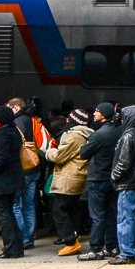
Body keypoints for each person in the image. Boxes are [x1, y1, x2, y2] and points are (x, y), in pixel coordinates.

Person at [44, 108, 91, 256]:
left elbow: (59, 156)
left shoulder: (74, 136)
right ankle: (74, 236)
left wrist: (48, 152)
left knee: (59, 210)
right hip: (77, 176)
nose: (66, 121)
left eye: (69, 119)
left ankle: (70, 241)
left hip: (69, 177)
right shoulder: (85, 134)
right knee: (72, 209)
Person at [77, 102, 120, 261]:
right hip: (112, 178)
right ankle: (112, 246)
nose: (94, 113)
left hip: (97, 178)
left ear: (104, 114)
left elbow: (83, 153)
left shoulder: (99, 134)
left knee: (97, 215)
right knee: (111, 213)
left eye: (97, 111)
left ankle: (96, 249)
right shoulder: (118, 132)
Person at [108, 105, 135, 265]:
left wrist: (114, 177)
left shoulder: (127, 136)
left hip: (127, 183)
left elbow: (123, 163)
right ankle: (134, 250)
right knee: (134, 217)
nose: (122, 120)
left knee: (125, 218)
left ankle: (126, 253)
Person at [0, 105, 25, 259]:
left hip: (2, 180)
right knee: (9, 213)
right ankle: (17, 247)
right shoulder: (13, 130)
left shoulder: (2, 133)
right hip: (13, 178)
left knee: (5, 215)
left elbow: (3, 157)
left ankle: (10, 248)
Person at [7, 97, 46, 249]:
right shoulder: (34, 120)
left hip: (22, 167)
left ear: (16, 108)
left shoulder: (17, 122)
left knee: (15, 203)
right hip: (34, 165)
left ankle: (23, 237)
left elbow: (15, 144)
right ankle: (29, 236)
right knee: (29, 204)